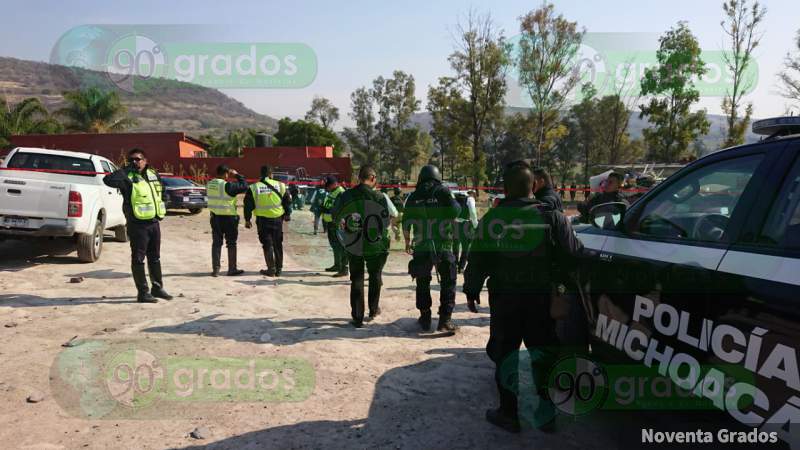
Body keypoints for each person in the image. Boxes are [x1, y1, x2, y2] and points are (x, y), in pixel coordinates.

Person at [463, 161, 585, 433]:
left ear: (505, 188)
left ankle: (509, 413)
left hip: (505, 301)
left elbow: (478, 260)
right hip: (541, 300)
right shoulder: (552, 217)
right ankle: (546, 414)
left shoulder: (492, 219)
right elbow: (575, 254)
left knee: (505, 355)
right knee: (543, 354)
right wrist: (563, 286)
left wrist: (471, 291)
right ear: (533, 186)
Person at [103, 148, 172, 303]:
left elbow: (162, 191)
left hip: (154, 222)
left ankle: (157, 288)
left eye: (138, 159)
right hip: (137, 224)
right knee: (139, 258)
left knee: (155, 257)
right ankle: (143, 292)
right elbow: (108, 180)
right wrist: (126, 169)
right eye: (131, 160)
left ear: (145, 160)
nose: (135, 162)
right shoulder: (126, 177)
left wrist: (164, 203)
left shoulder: (153, 174)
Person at [332, 165, 396, 328]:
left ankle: (357, 316)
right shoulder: (379, 196)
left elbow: (336, 217)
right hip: (375, 243)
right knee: (375, 276)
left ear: (359, 178)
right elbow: (386, 221)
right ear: (373, 178)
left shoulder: (346, 195)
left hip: (354, 243)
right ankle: (373, 310)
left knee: (357, 279)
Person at [402, 164, 461, 332]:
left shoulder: (413, 196)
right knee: (448, 281)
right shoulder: (443, 191)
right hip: (443, 244)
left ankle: (425, 318)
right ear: (437, 177)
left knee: (422, 281)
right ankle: (445, 321)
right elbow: (456, 211)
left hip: (421, 245)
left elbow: (406, 222)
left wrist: (407, 242)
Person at [244, 165, 292, 277]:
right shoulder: (281, 185)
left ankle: (271, 269)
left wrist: (247, 219)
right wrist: (288, 214)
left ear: (261, 174)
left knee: (267, 244)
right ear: (271, 174)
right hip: (277, 219)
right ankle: (279, 270)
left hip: (262, 220)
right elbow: (288, 200)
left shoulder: (254, 187)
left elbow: (248, 205)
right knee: (277, 244)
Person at [206, 164, 249, 277]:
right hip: (229, 218)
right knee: (231, 243)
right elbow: (244, 186)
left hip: (215, 217)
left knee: (216, 244)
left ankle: (216, 270)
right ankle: (232, 269)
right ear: (226, 174)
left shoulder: (210, 184)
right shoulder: (227, 186)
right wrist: (237, 175)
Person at [321, 175, 348, 277]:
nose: (326, 188)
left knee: (341, 246)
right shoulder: (332, 192)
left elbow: (340, 209)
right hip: (331, 222)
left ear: (334, 184)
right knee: (335, 245)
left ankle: (344, 268)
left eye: (328, 186)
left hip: (338, 223)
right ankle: (337, 265)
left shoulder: (341, 192)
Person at [452, 189, 478, 273]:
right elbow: (473, 213)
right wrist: (476, 225)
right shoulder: (470, 199)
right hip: (466, 225)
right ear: (472, 193)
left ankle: (454, 265)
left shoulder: (455, 197)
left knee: (455, 245)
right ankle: (461, 267)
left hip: (454, 223)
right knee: (466, 246)